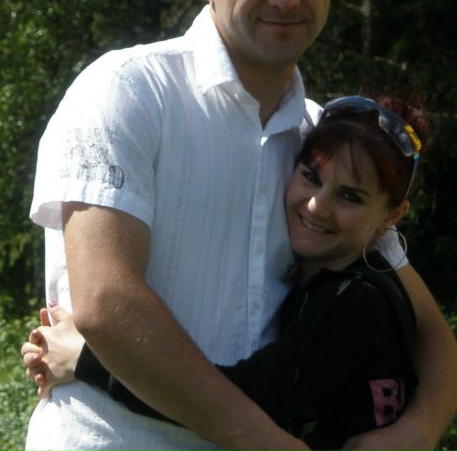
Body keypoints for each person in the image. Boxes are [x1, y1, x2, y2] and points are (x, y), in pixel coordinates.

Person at [23, 0, 457, 451]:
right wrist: (266, 442)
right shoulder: (129, 90)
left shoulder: (319, 142)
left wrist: (418, 431)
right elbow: (107, 302)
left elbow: (430, 329)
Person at [24, 95, 426, 451]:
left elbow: (241, 401)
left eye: (350, 197)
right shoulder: (341, 283)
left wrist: (85, 362)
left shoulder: (357, 304)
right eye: (311, 176)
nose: (317, 206)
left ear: (391, 217)